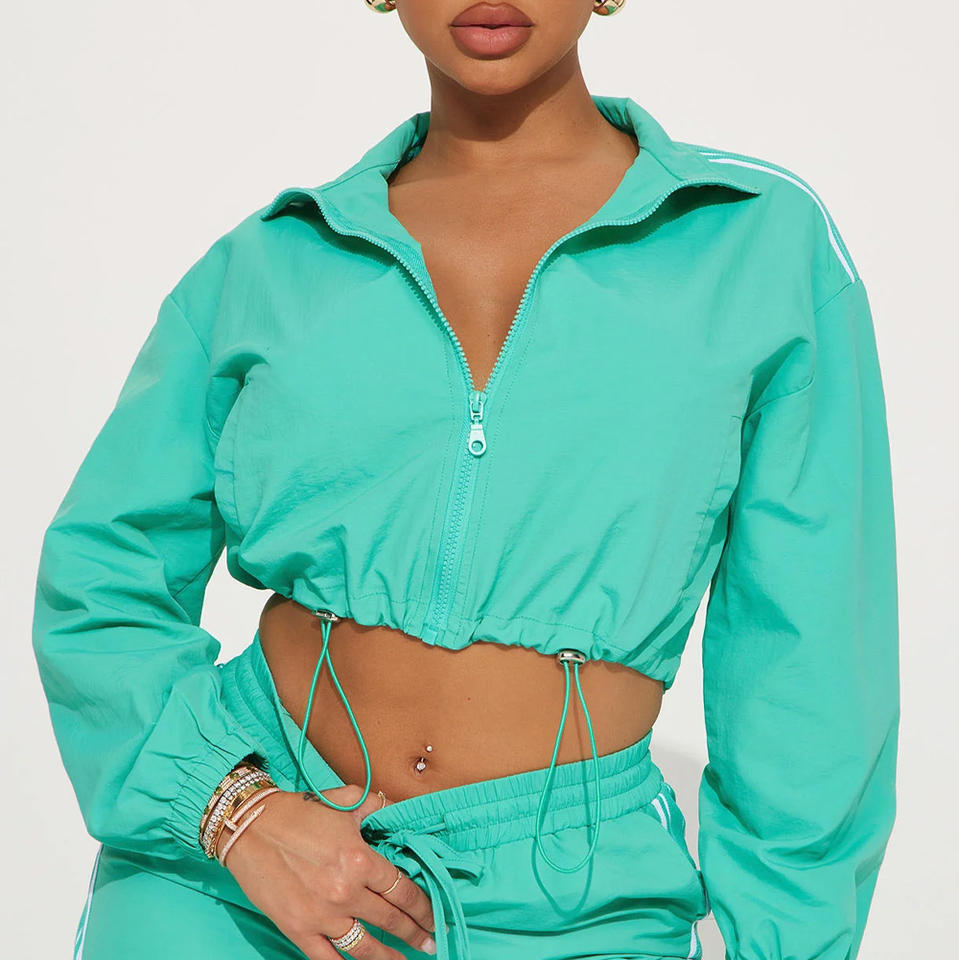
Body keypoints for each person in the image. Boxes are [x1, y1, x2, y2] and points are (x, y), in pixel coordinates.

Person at [32, 1, 900, 959]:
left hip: (574, 905)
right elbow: (103, 574)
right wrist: (234, 811)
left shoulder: (752, 243)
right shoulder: (271, 263)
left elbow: (810, 652)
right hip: (243, 877)